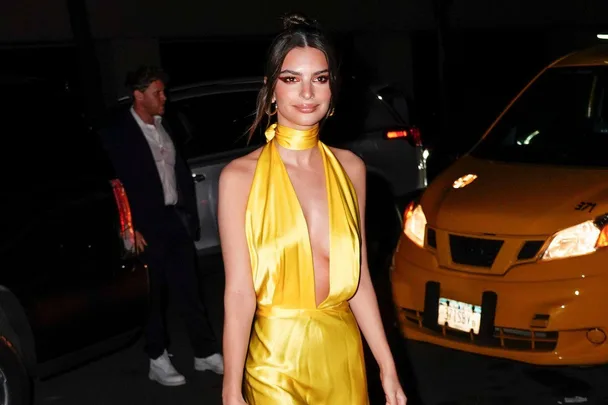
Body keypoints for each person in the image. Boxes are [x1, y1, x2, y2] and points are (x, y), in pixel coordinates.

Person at [218, 13, 407, 405]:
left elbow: (359, 281)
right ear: (271, 90)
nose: (307, 93)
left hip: (343, 356)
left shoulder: (351, 169)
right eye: (291, 79)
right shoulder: (239, 178)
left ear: (333, 89)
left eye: (319, 79)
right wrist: (230, 388)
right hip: (275, 364)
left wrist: (387, 366)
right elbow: (239, 291)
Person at [98, 65, 223, 386]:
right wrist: (126, 226)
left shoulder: (164, 125)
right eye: (157, 93)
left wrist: (190, 215)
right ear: (138, 96)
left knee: (189, 289)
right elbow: (113, 184)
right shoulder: (118, 132)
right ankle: (157, 357)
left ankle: (204, 353)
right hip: (144, 225)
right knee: (154, 296)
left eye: (163, 91)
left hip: (174, 219)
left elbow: (178, 172)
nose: (164, 97)